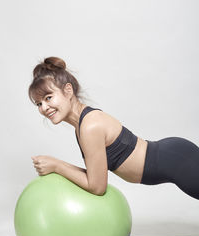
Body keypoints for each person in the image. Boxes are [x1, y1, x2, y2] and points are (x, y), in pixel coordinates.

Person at [29, 57, 199, 200]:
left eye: (48, 97)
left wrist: (57, 165)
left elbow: (97, 187)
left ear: (68, 91)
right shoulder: (82, 126)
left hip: (176, 161)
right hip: (172, 155)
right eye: (39, 103)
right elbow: (94, 176)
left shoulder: (90, 126)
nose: (44, 107)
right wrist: (56, 165)